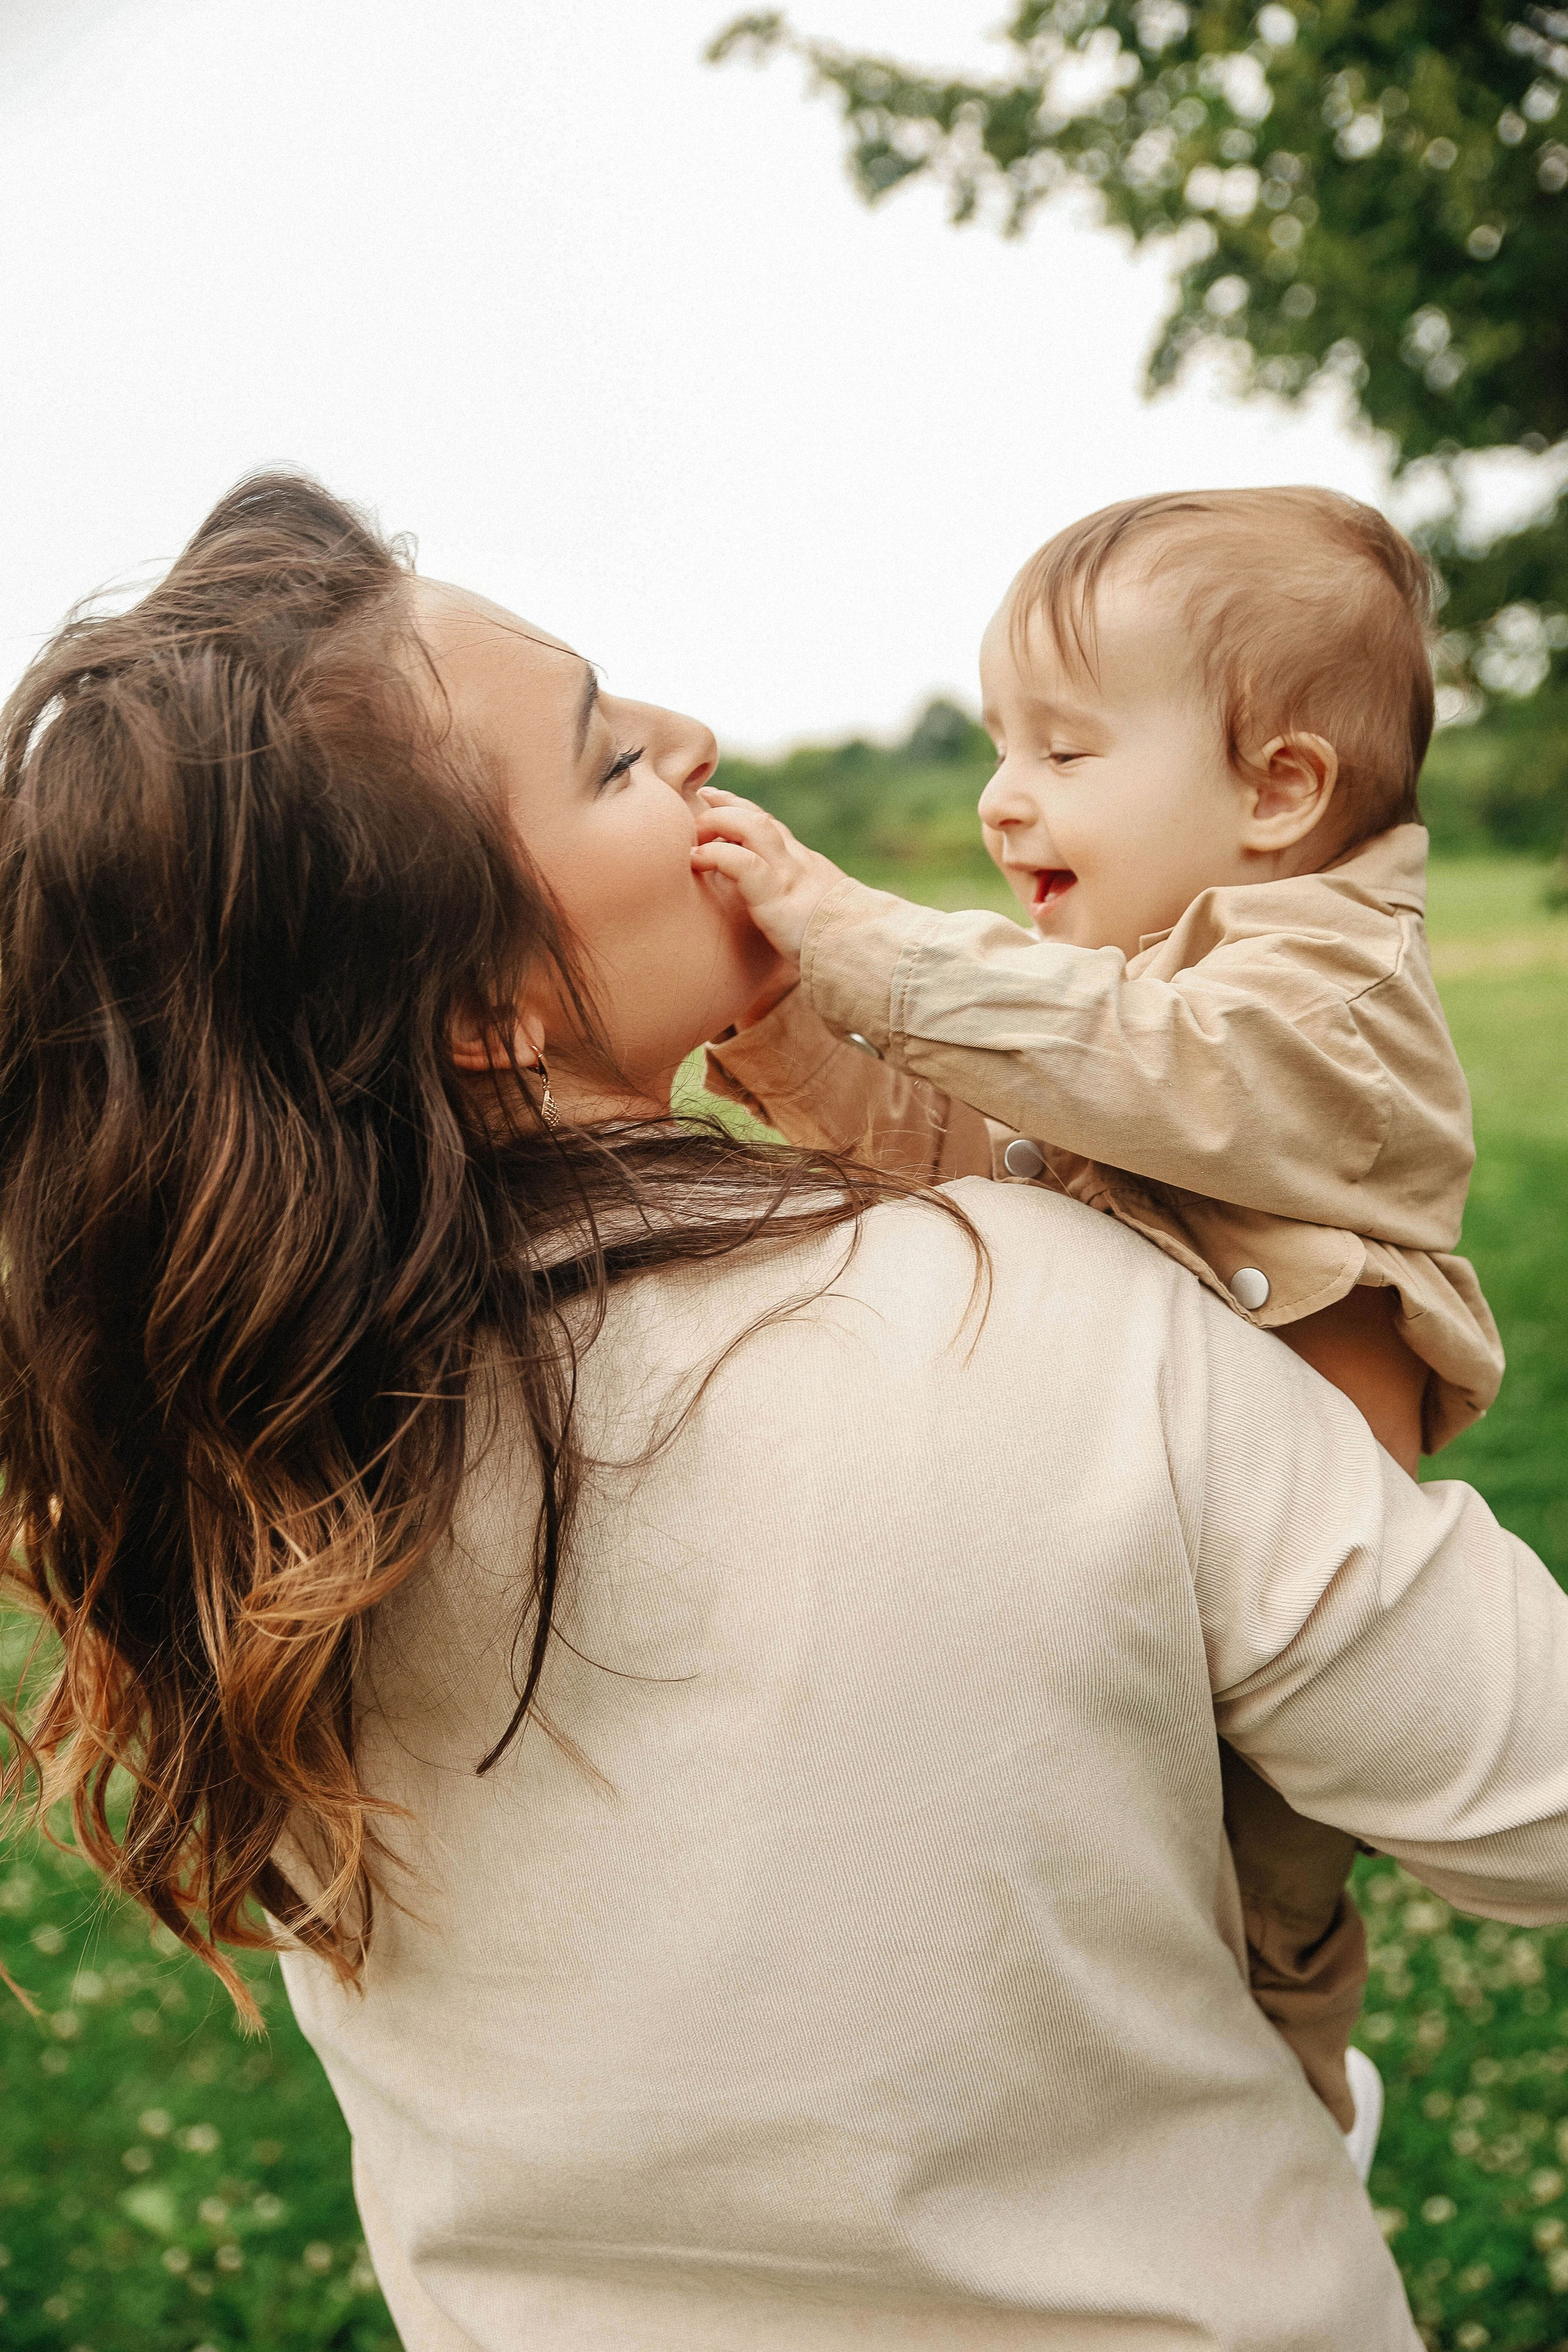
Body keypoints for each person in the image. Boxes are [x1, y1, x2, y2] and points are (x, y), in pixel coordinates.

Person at [4, 475, 1567, 2352]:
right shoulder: (1059, 1320)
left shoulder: (260, 1472)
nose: (698, 742)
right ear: (489, 1007)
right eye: (606, 760)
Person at [693, 487, 1503, 2136]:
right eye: (1001, 748)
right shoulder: (1130, 1002)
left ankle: (1286, 2141)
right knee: (1103, 1918)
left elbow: (1139, 1069)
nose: (1003, 803)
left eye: (1066, 753)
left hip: (1310, 1613)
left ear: (1280, 791)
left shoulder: (1316, 1003)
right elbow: (987, 1157)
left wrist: (854, 939)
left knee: (1248, 1933)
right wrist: (793, 1042)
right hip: (1154, 1584)